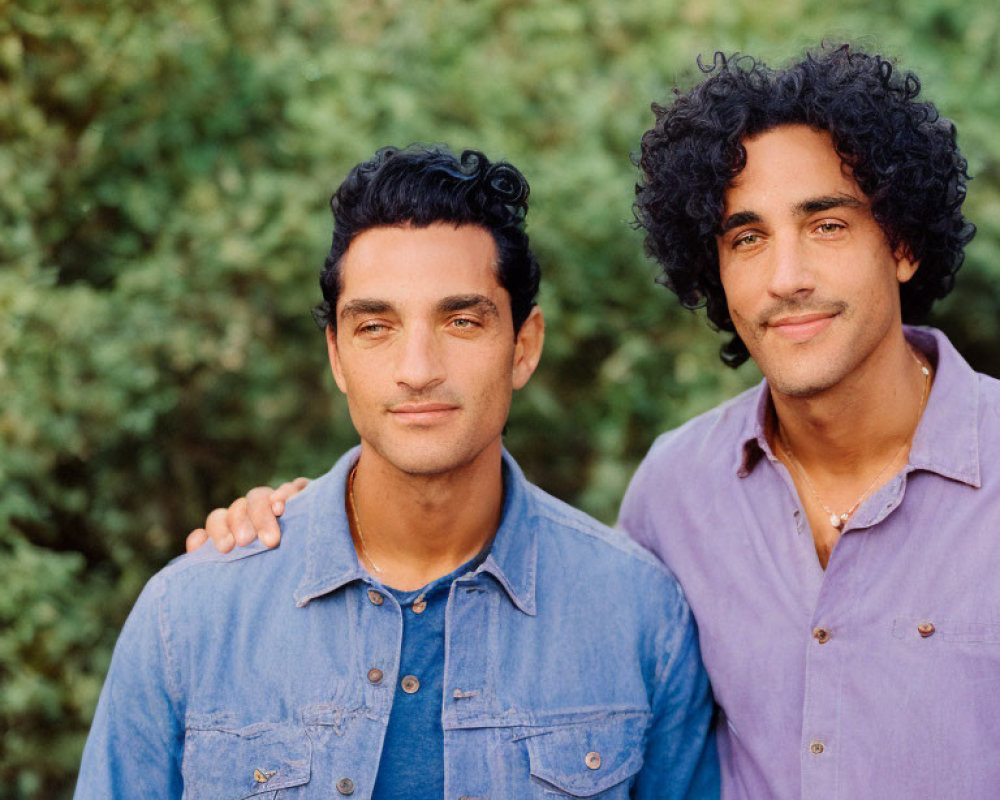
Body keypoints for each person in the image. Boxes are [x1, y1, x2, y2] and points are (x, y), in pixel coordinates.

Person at [196, 45, 1000, 800]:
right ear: (712, 268)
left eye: (827, 225)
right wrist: (292, 528)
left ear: (900, 242)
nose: (787, 277)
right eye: (746, 237)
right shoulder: (678, 495)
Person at [75, 145, 718, 799]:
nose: (417, 368)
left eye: (462, 320)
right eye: (376, 326)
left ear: (523, 347)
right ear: (336, 357)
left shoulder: (639, 616)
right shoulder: (191, 616)